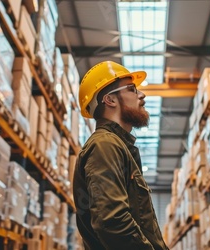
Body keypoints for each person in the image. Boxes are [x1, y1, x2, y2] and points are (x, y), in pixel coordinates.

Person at [73, 61, 169, 250]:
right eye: (132, 89)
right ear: (110, 100)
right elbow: (112, 222)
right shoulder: (105, 145)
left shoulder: (117, 146)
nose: (142, 95)